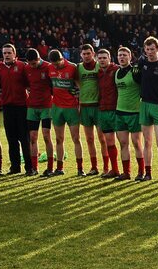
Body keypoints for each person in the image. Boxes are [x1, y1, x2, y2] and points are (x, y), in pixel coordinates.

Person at [136, 36, 158, 180]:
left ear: (157, 49)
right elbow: (136, 80)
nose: (150, 52)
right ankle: (148, 172)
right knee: (147, 142)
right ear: (144, 50)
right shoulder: (142, 63)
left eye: (152, 49)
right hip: (144, 104)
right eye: (147, 49)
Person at [0, 44, 31, 174]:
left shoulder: (22, 66)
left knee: (24, 139)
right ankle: (15, 168)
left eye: (9, 53)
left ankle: (29, 168)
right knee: (11, 140)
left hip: (22, 107)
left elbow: (29, 83)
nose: (7, 55)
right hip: (8, 108)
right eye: (4, 53)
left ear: (15, 54)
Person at [46, 49, 80, 176]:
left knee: (76, 138)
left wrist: (79, 99)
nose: (55, 66)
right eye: (53, 64)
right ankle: (59, 168)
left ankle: (80, 168)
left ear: (62, 59)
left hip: (71, 107)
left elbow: (79, 85)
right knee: (59, 139)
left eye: (58, 63)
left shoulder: (72, 67)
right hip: (56, 107)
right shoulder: (49, 68)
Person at [113, 46, 143, 181]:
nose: (122, 57)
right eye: (120, 55)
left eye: (125, 55)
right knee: (123, 143)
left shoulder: (135, 72)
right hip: (120, 112)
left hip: (135, 113)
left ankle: (141, 171)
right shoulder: (116, 72)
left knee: (136, 143)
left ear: (130, 57)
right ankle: (126, 172)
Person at [75, 44, 104, 175]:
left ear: (93, 54)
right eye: (84, 54)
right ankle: (94, 167)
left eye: (88, 53)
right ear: (81, 55)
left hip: (98, 106)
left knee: (102, 138)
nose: (86, 56)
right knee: (89, 139)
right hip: (85, 107)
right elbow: (76, 81)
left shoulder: (99, 65)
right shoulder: (79, 68)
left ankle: (106, 167)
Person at [24, 48, 54, 176]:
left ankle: (50, 167)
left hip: (46, 107)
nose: (32, 66)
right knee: (32, 138)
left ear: (38, 59)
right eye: (30, 64)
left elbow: (54, 85)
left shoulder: (48, 67)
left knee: (47, 135)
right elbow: (25, 84)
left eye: (34, 63)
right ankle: (34, 168)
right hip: (32, 108)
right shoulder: (27, 69)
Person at [95, 49, 123, 178]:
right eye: (99, 58)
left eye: (104, 58)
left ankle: (127, 171)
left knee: (123, 142)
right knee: (109, 142)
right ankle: (114, 169)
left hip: (116, 111)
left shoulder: (117, 70)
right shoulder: (99, 73)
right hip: (103, 110)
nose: (102, 60)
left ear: (110, 58)